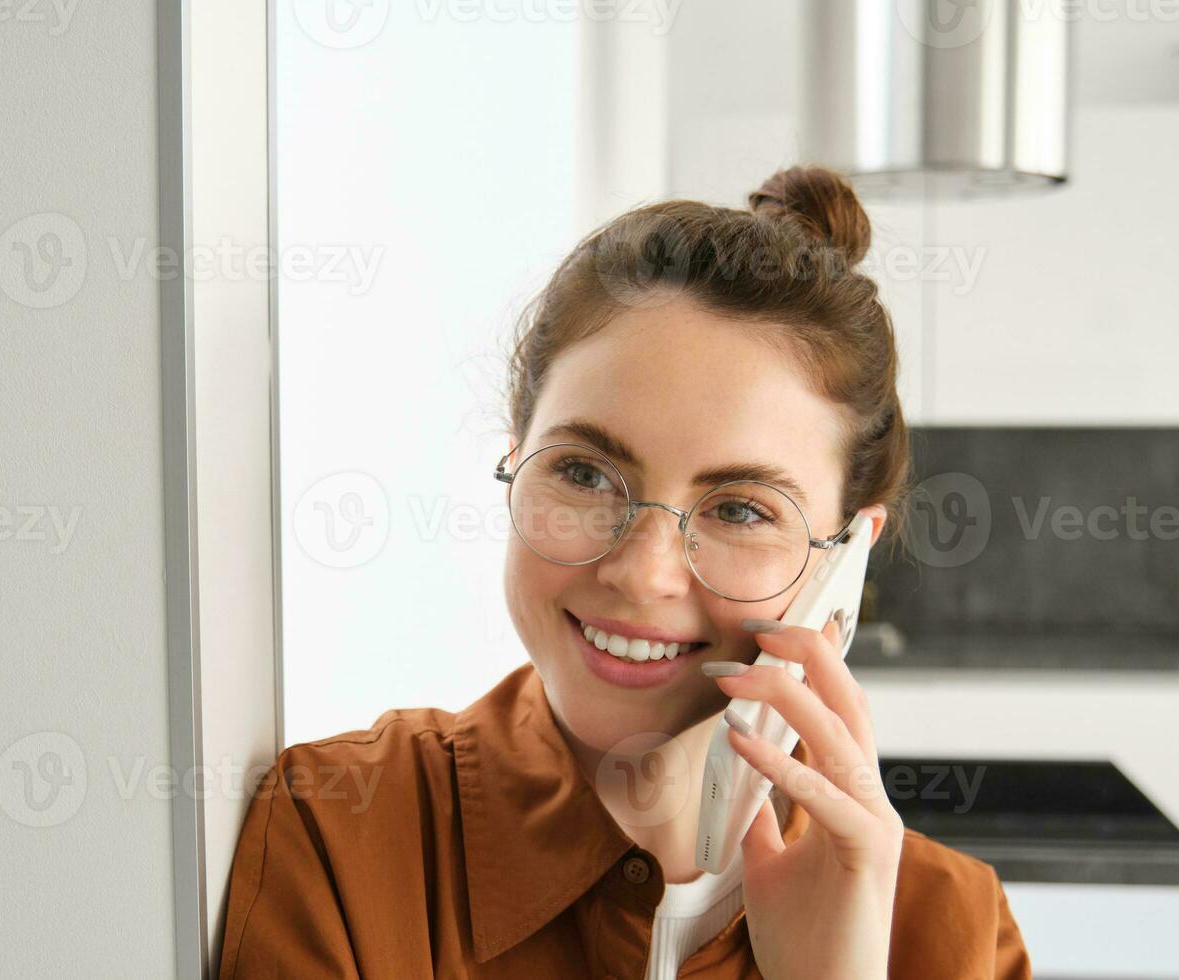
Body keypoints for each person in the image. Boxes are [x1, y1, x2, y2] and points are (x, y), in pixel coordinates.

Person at [220, 166, 1032, 979]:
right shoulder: (338, 834)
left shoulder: (952, 932)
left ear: (845, 556)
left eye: (741, 510)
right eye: (583, 474)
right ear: (514, 460)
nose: (641, 575)